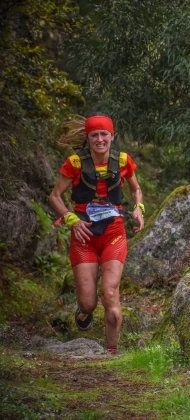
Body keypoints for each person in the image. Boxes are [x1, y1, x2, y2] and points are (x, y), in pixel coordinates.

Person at [49, 114, 145, 355]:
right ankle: (83, 312)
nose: (100, 139)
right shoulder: (75, 163)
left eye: (105, 134)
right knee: (88, 302)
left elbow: (136, 189)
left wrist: (139, 208)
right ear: (89, 138)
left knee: (110, 292)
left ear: (112, 136)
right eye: (95, 135)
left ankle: (112, 353)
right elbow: (55, 196)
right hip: (84, 235)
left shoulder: (123, 161)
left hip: (113, 232)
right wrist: (70, 219)